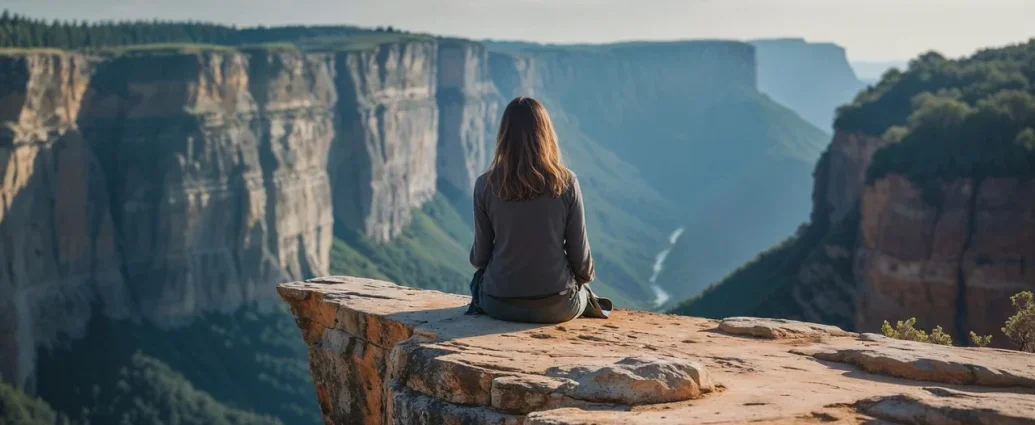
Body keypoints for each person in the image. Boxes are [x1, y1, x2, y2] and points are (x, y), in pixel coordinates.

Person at [466, 96, 612, 323]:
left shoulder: (485, 185)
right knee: (585, 294)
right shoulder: (566, 182)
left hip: (498, 304)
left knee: (478, 281)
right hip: (558, 306)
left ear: (504, 137)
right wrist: (581, 282)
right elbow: (581, 262)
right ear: (546, 134)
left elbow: (480, 259)